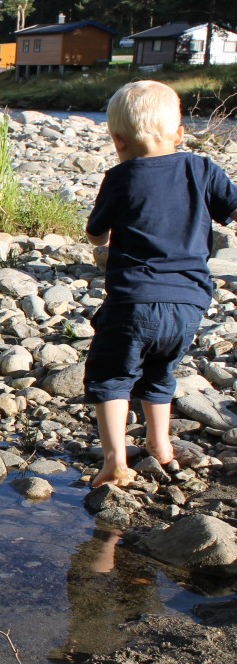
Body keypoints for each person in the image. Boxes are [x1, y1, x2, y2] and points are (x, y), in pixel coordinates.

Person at [83, 80, 237, 489]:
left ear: (117, 140)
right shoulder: (202, 168)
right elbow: (232, 209)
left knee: (112, 375)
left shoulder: (120, 178)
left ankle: (115, 461)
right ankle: (161, 445)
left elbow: (96, 234)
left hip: (133, 300)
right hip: (189, 304)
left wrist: (102, 241)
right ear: (180, 133)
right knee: (160, 372)